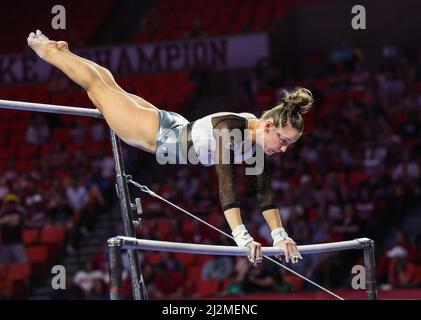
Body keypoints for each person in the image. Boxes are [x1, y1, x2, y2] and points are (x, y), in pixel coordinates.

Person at [27, 30, 313, 266]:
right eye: (284, 141)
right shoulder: (232, 130)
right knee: (96, 87)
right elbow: (227, 185)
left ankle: (65, 53)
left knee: (109, 85)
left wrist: (280, 235)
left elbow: (264, 194)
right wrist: (243, 238)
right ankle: (48, 52)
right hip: (155, 134)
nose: (284, 149)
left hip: (173, 125)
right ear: (267, 127)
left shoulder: (256, 143)